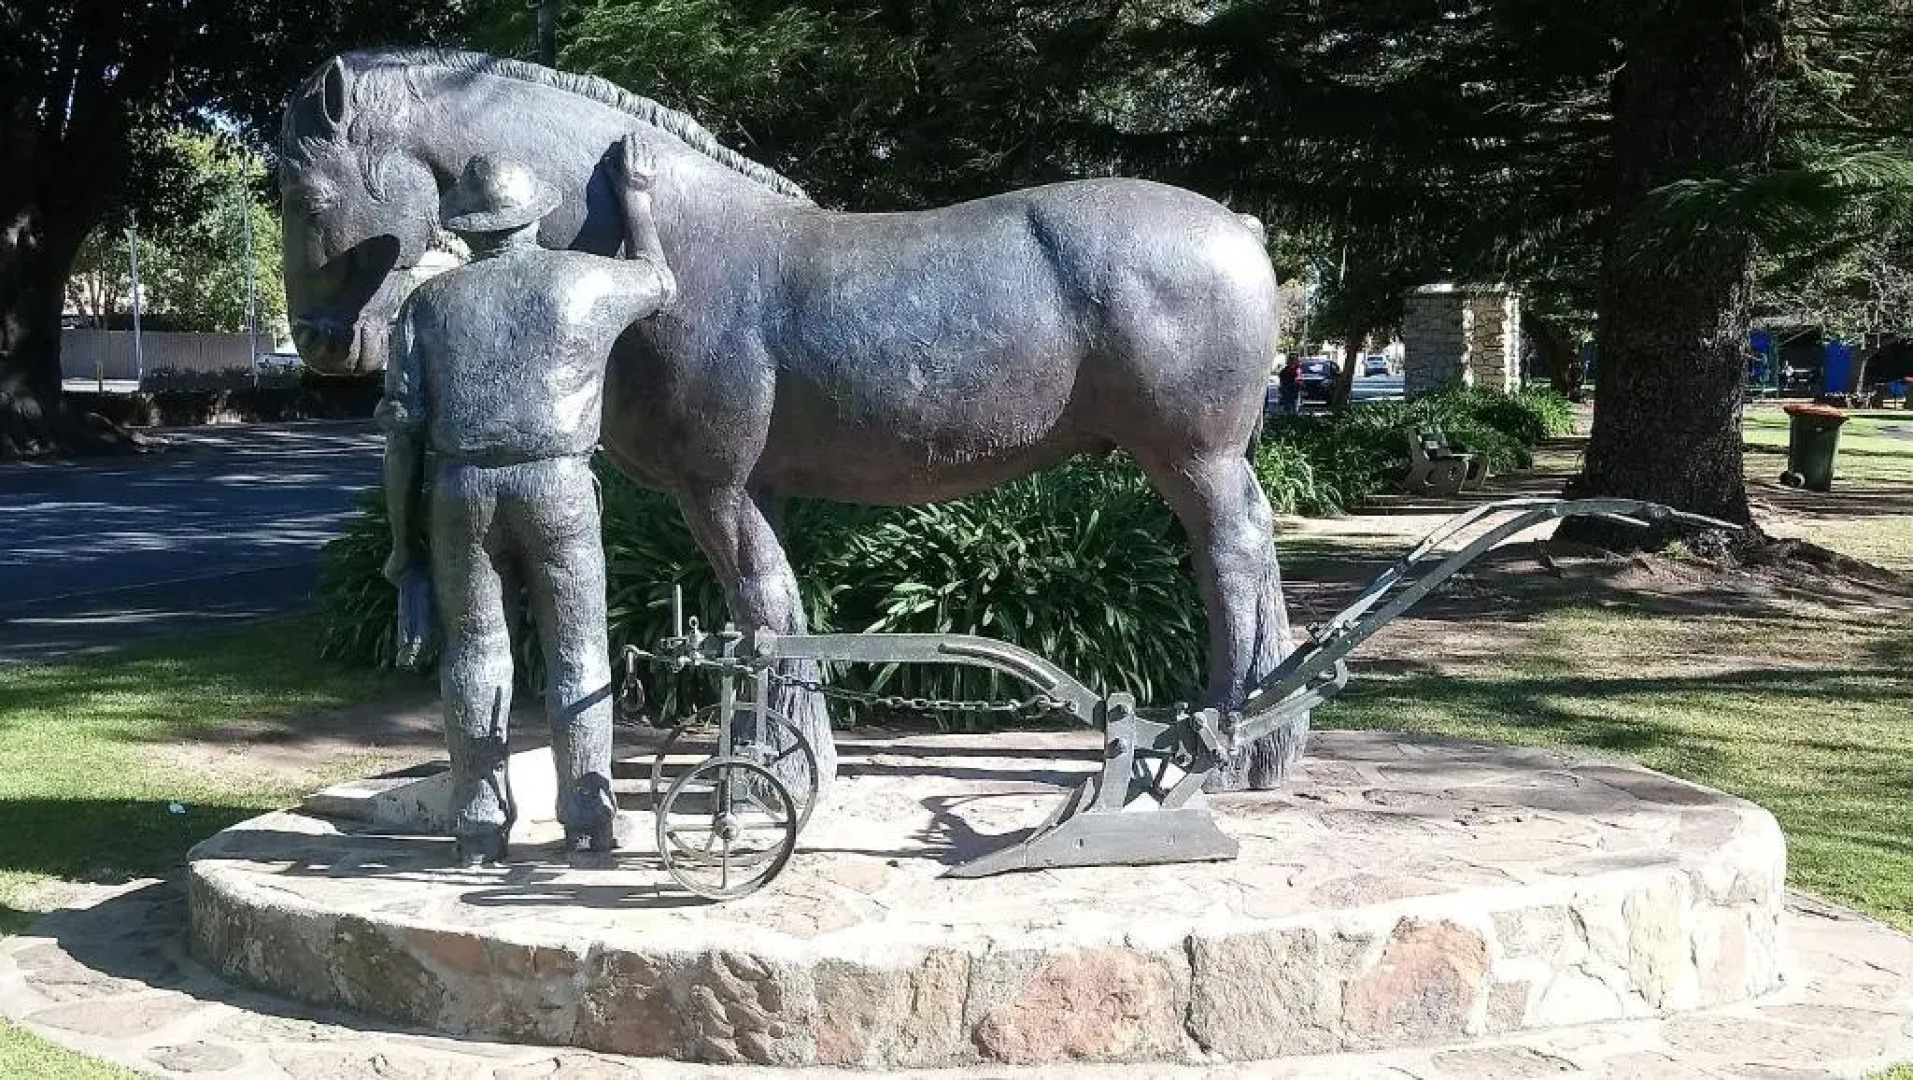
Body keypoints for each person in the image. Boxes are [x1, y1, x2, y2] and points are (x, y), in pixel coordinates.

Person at [379, 136, 677, 866]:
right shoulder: (583, 281)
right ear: (537, 216)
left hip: (460, 490)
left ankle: (479, 824)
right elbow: (658, 282)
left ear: (467, 227)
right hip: (558, 487)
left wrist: (400, 548)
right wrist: (635, 200)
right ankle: (586, 816)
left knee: (477, 654)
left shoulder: (429, 304)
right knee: (578, 652)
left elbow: (400, 437)